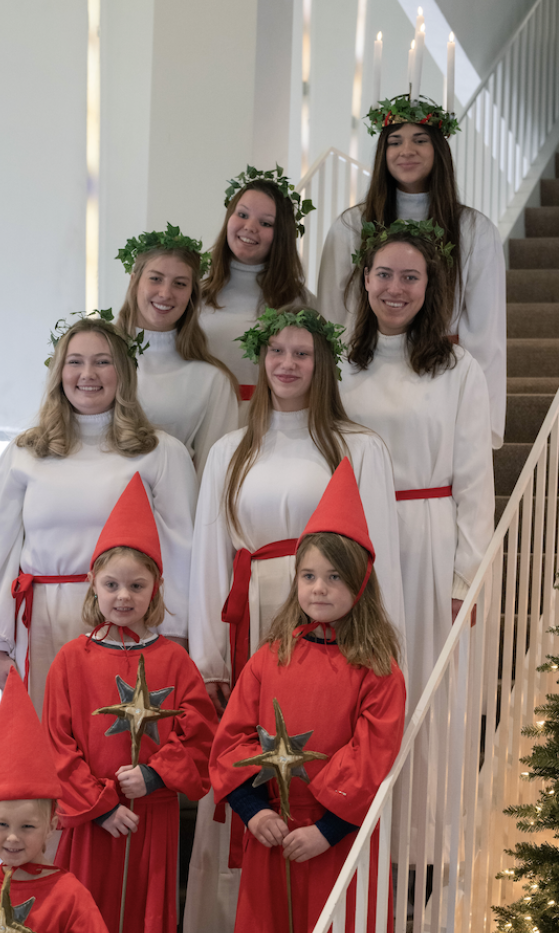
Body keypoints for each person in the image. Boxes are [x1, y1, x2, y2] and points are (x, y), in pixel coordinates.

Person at [183, 306, 405, 933]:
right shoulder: (231, 449)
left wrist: (385, 643)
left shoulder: (358, 447)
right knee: (249, 744)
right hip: (255, 618)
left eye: (302, 353)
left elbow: (373, 555)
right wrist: (212, 660)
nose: (287, 364)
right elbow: (208, 554)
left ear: (322, 362)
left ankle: (326, 839)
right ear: (261, 358)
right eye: (276, 351)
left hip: (338, 627)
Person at [339, 222, 495, 859]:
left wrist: (467, 576)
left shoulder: (459, 368)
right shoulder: (342, 360)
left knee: (427, 693)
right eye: (384, 274)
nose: (395, 288)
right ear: (365, 281)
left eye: (411, 276)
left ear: (432, 288)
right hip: (353, 545)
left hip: (427, 540)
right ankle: (357, 843)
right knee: (356, 694)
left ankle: (425, 851)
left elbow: (474, 481)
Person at [211, 459, 406, 933]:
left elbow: (371, 757)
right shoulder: (268, 658)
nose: (319, 588)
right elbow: (231, 739)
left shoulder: (379, 671)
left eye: (335, 577)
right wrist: (253, 813)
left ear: (360, 583)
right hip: (273, 831)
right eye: (309, 576)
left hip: (337, 835)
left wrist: (327, 831)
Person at [0, 315, 197, 715]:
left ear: (124, 372)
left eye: (102, 361)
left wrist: (175, 639)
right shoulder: (24, 453)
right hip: (41, 620)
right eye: (75, 361)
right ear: (59, 371)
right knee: (46, 752)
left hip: (129, 619)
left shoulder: (161, 452)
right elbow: (0, 552)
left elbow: (182, 552)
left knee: (115, 747)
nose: (87, 374)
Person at [43, 473, 217, 933]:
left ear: (156, 588)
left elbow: (201, 737)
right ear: (93, 584)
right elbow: (56, 745)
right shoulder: (70, 660)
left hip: (149, 818)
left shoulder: (174, 661)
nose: (124, 596)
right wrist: (100, 807)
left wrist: (156, 773)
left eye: (137, 586)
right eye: (112, 585)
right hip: (92, 821)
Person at [317, 95, 506, 448]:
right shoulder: (351, 226)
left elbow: (486, 332)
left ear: (439, 150)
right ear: (381, 152)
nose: (407, 150)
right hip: (363, 373)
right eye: (395, 141)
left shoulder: (474, 229)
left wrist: (483, 420)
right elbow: (332, 316)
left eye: (420, 140)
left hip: (439, 374)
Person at [0, 666, 109, 932]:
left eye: (27, 826)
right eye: (2, 825)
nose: (13, 838)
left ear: (52, 824)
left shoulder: (70, 896)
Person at [116, 223, 239, 478]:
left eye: (180, 284)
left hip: (169, 513)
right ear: (134, 281)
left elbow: (214, 479)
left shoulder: (212, 380)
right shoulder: (95, 361)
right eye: (156, 279)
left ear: (192, 295)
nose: (165, 293)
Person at [201, 165, 317, 411]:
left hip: (266, 424)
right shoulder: (194, 293)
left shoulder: (301, 303)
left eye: (265, 223)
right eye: (242, 215)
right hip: (200, 419)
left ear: (281, 235)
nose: (250, 227)